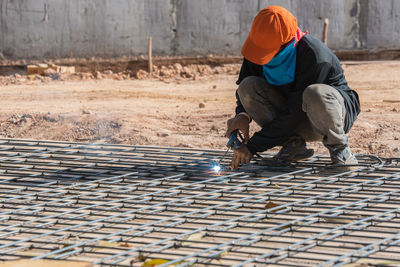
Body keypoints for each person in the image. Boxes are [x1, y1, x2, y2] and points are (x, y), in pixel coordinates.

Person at [225, 6, 360, 170]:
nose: (261, 56)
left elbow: (294, 112)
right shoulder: (256, 52)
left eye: (267, 51)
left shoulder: (314, 56)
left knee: (315, 93)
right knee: (247, 87)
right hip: (291, 117)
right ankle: (293, 145)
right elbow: (245, 84)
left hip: (326, 119)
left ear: (285, 44)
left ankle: (340, 149)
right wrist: (242, 115)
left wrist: (252, 146)